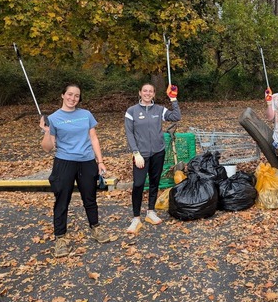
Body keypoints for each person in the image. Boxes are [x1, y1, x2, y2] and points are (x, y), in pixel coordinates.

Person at [40, 84, 111, 258]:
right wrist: (47, 132)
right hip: (64, 162)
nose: (73, 98)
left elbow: (93, 138)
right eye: (70, 94)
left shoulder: (85, 115)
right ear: (62, 95)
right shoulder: (54, 118)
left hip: (87, 162)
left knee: (90, 197)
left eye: (76, 96)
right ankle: (60, 238)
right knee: (62, 200)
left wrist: (100, 161)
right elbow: (47, 148)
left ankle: (96, 227)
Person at [124, 83, 180, 234]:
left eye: (150, 91)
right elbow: (129, 133)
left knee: (155, 182)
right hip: (141, 155)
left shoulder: (159, 110)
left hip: (158, 152)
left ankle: (151, 212)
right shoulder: (132, 111)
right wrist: (136, 153)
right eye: (145, 91)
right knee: (138, 184)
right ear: (140, 93)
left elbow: (176, 116)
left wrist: (173, 99)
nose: (147, 93)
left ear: (154, 94)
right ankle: (136, 218)